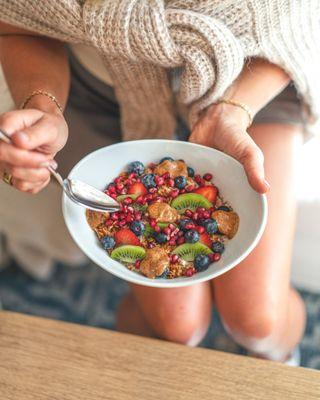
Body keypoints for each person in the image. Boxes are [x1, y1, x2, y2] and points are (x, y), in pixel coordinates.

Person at [1, 1, 319, 364]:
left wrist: (233, 109)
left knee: (258, 320)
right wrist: (43, 106)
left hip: (251, 82)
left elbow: (298, 22)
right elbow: (19, 22)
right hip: (107, 98)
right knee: (176, 326)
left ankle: (282, 369)